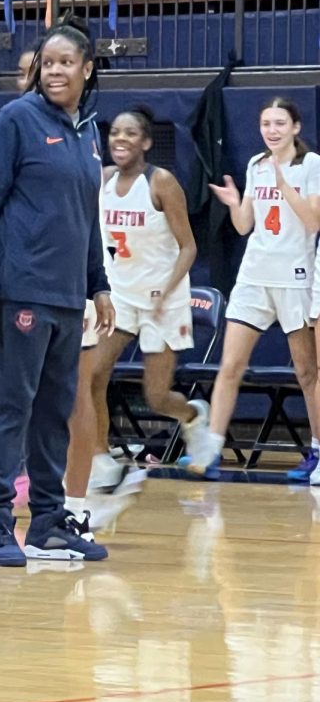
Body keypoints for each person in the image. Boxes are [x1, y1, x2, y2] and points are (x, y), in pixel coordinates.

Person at [0, 22, 113, 567]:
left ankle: (47, 523)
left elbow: (86, 218)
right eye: (49, 62)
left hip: (66, 297)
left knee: (54, 410)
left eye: (68, 62)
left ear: (88, 69)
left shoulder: (86, 132)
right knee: (11, 407)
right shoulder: (17, 120)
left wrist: (99, 285)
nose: (57, 70)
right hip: (14, 288)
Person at [184, 98, 320, 480]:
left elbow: (313, 222)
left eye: (279, 123)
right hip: (254, 277)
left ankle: (317, 451)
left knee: (308, 372)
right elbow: (245, 226)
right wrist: (232, 203)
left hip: (294, 278)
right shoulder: (255, 165)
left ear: (296, 127)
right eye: (265, 123)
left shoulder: (311, 165)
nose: (271, 130)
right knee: (230, 365)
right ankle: (211, 448)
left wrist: (284, 186)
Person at [88, 107, 203, 481]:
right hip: (119, 296)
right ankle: (100, 458)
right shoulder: (101, 180)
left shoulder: (161, 182)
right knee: (92, 376)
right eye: (115, 132)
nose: (120, 139)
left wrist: (166, 293)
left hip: (161, 298)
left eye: (130, 133)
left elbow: (188, 247)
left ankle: (192, 415)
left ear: (147, 142)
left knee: (155, 397)